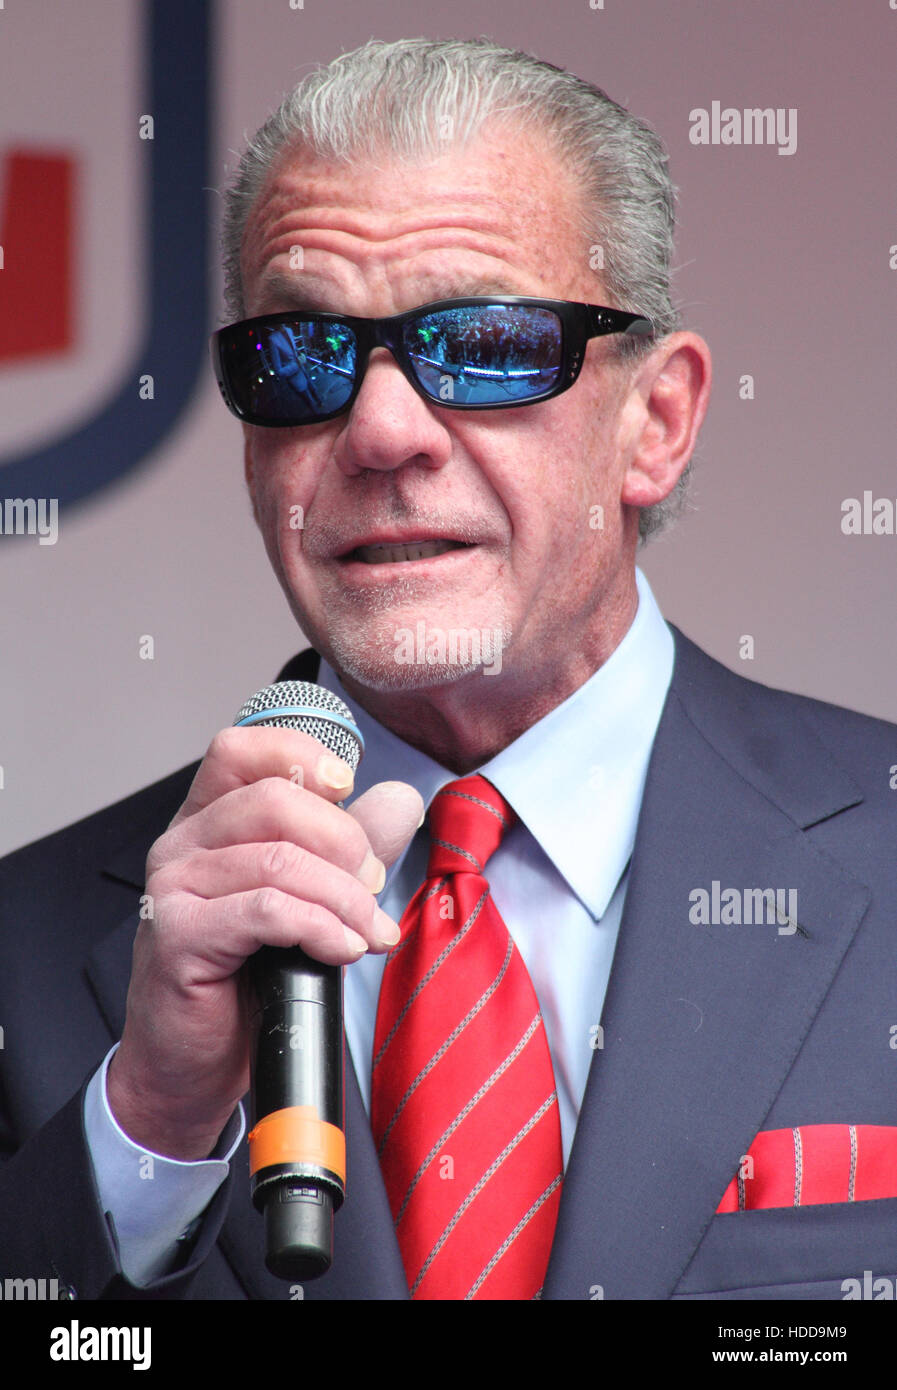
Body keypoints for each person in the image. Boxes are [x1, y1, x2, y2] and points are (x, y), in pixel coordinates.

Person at [1, 36, 895, 1303]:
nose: (377, 428)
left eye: (481, 342)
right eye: (302, 355)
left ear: (660, 422)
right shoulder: (28, 949)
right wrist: (151, 1116)